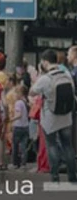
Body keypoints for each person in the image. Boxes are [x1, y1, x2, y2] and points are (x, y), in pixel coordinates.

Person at [28, 49, 77, 184]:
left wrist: (36, 76)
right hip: (66, 116)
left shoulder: (45, 78)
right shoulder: (67, 74)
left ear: (44, 62)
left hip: (50, 116)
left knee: (52, 145)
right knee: (68, 146)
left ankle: (55, 177)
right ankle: (72, 176)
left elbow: (32, 92)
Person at [11, 85, 30, 170]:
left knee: (15, 145)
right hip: (25, 126)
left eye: (15, 93)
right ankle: (23, 163)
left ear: (20, 93)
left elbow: (19, 114)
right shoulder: (25, 101)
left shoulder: (18, 103)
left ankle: (15, 163)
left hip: (18, 126)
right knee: (23, 146)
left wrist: (11, 119)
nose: (14, 95)